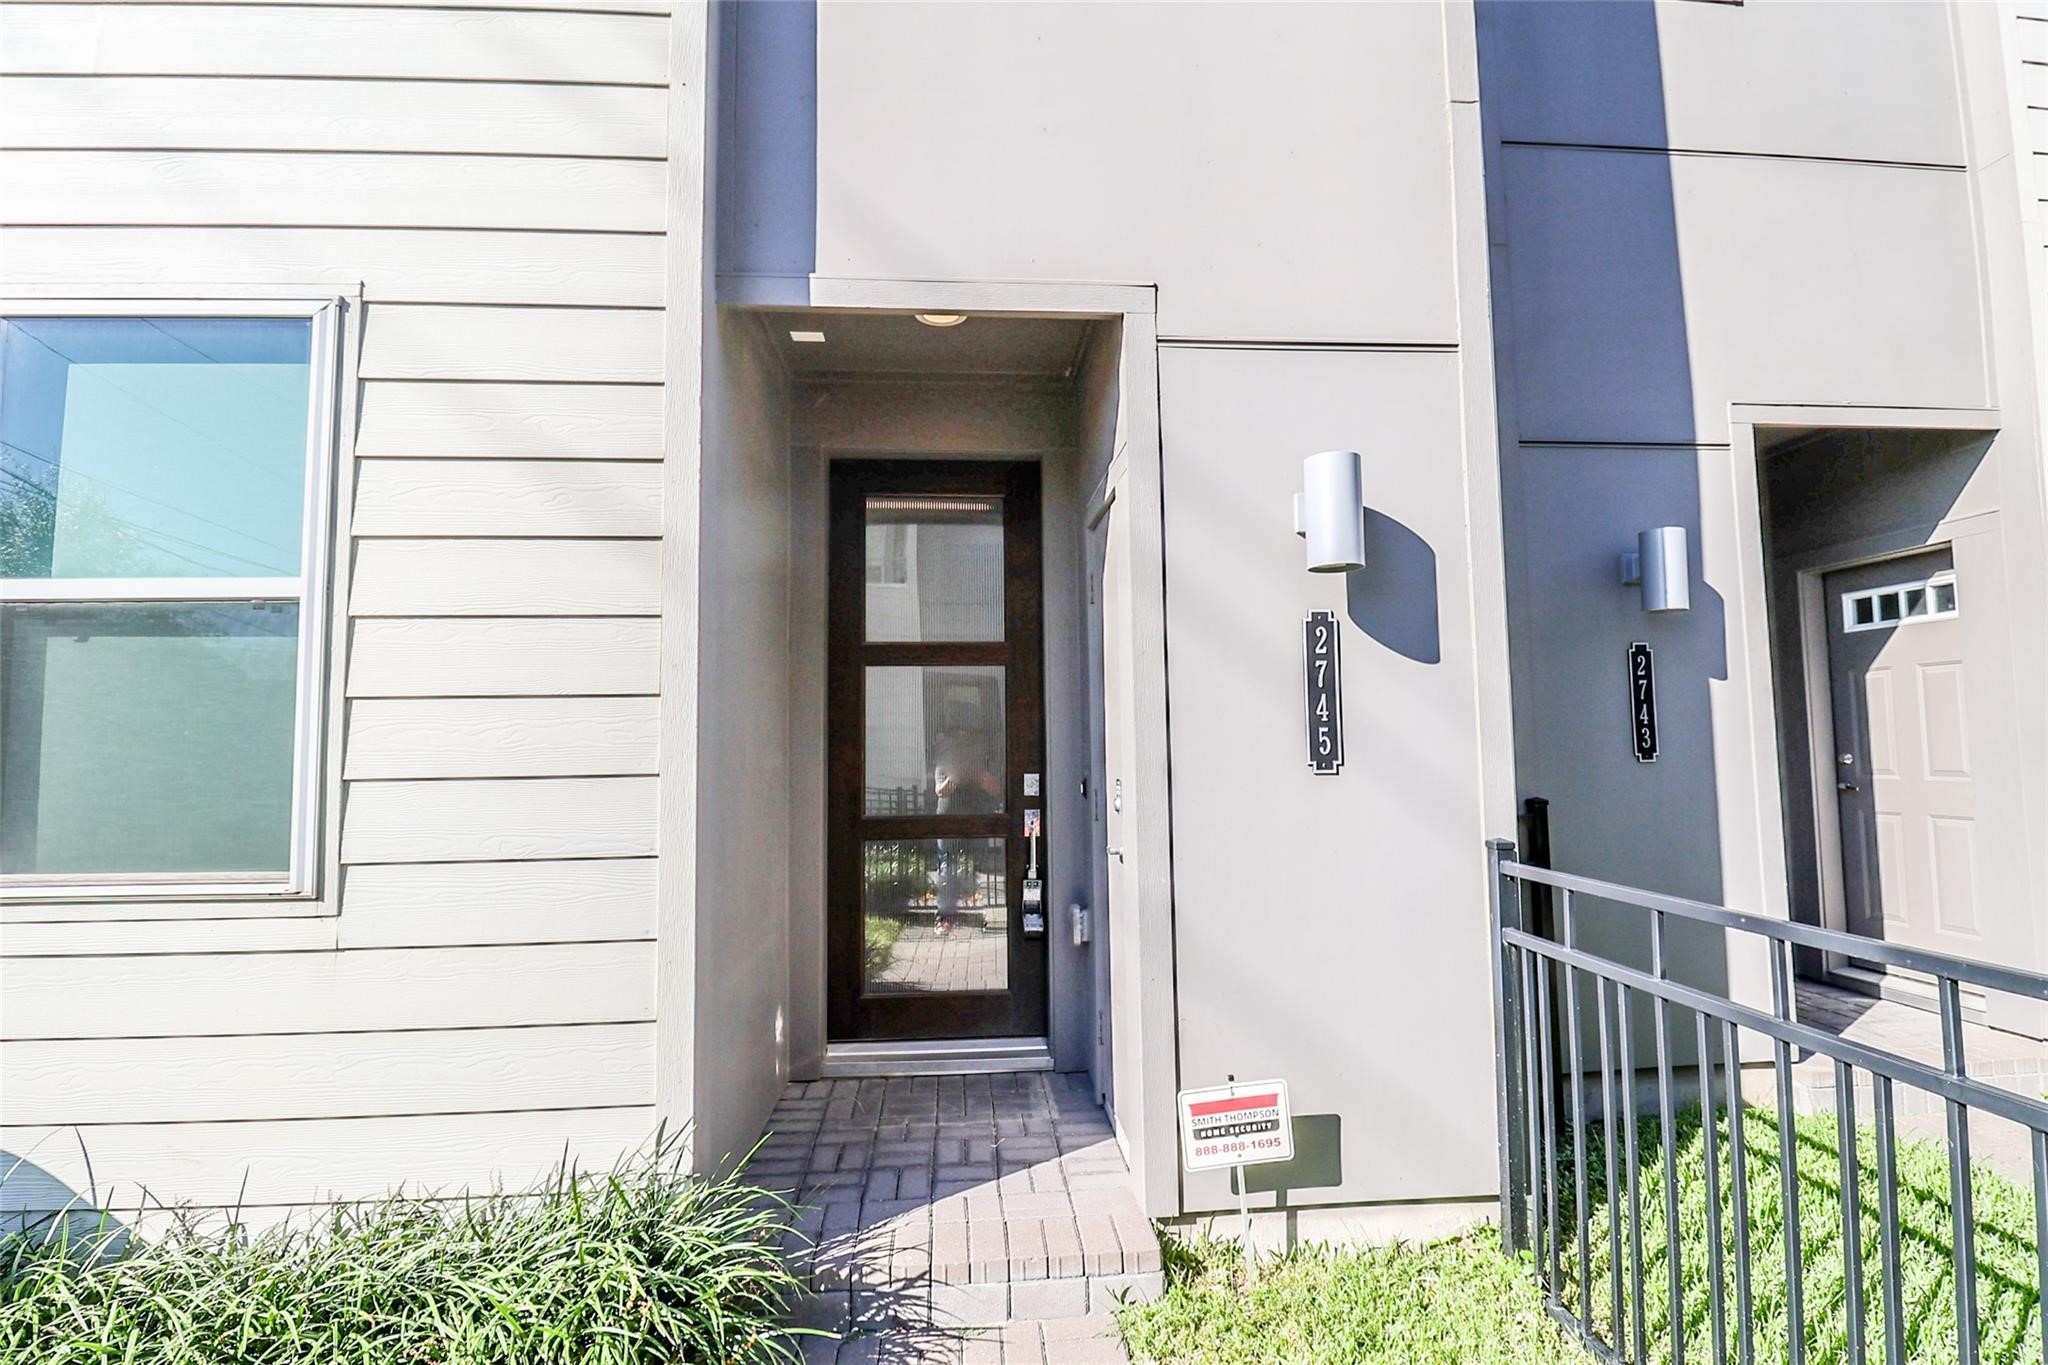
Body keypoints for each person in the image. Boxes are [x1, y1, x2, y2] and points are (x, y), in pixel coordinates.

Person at [931, 735, 999, 936]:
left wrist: (980, 777)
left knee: (982, 867)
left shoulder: (979, 768)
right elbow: (940, 791)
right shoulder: (945, 765)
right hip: (948, 823)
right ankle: (945, 917)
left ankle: (987, 913)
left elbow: (996, 789)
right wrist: (953, 778)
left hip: (976, 822)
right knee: (947, 868)